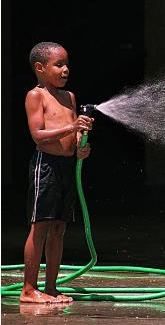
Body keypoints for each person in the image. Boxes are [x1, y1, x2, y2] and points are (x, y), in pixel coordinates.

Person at [20, 42, 94, 303]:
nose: (65, 70)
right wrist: (71, 127)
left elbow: (73, 134)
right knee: (40, 226)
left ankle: (51, 287)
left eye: (66, 64)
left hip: (66, 167)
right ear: (40, 68)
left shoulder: (70, 97)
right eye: (58, 64)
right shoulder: (36, 96)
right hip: (47, 166)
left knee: (59, 228)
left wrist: (80, 145)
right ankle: (29, 289)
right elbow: (38, 136)